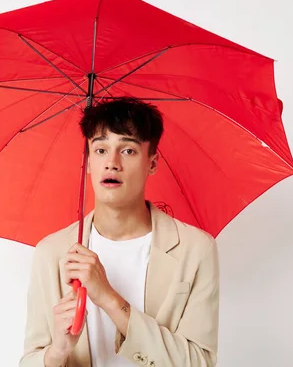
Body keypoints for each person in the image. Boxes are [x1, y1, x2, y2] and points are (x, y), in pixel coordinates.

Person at [19, 98, 219, 366]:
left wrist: (109, 298)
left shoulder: (195, 249)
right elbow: (30, 359)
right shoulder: (52, 252)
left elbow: (199, 362)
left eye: (128, 151)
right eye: (100, 150)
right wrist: (57, 351)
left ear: (152, 163)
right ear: (87, 162)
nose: (112, 162)